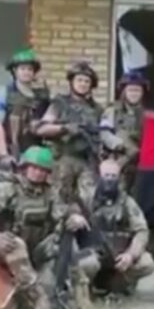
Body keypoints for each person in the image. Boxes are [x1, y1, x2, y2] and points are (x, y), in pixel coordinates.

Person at [0, 146, 89, 309]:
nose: (38, 173)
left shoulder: (49, 193)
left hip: (35, 251)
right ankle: (37, 297)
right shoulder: (7, 189)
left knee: (66, 238)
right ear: (24, 167)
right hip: (6, 249)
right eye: (34, 167)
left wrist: (74, 216)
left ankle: (81, 294)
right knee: (16, 244)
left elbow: (61, 212)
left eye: (43, 169)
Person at [78, 159, 154, 294]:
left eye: (113, 176)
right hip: (94, 253)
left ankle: (117, 284)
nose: (109, 179)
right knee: (87, 264)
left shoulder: (127, 202)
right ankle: (85, 287)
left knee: (147, 263)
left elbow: (142, 231)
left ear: (119, 178)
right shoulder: (86, 199)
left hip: (119, 255)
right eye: (106, 175)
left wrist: (130, 255)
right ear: (99, 176)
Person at [36, 61, 103, 209]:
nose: (83, 84)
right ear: (72, 82)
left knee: (91, 202)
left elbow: (103, 133)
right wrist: (64, 128)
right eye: (79, 80)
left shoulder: (96, 109)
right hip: (62, 159)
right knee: (59, 202)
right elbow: (41, 129)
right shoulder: (59, 103)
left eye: (87, 81)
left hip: (87, 162)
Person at [0, 49, 50, 172]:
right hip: (9, 150)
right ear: (15, 70)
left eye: (30, 69)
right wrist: (4, 154)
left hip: (32, 153)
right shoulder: (3, 92)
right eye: (23, 69)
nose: (26, 72)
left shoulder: (40, 97)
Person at [99, 71, 154, 195]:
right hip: (118, 162)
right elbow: (104, 133)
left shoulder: (151, 115)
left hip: (142, 164)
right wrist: (119, 144)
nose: (134, 94)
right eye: (131, 90)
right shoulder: (112, 111)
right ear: (124, 92)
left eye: (137, 90)